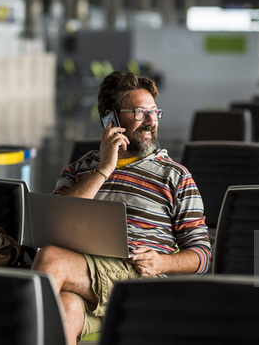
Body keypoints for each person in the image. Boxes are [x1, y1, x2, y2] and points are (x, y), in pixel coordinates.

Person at [31, 71, 211, 344]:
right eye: (140, 112)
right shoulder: (80, 169)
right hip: (87, 283)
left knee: (51, 259)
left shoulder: (175, 176)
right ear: (110, 118)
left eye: (155, 112)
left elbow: (202, 255)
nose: (151, 121)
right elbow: (57, 221)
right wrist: (104, 169)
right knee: (66, 308)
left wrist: (162, 262)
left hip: (138, 279)